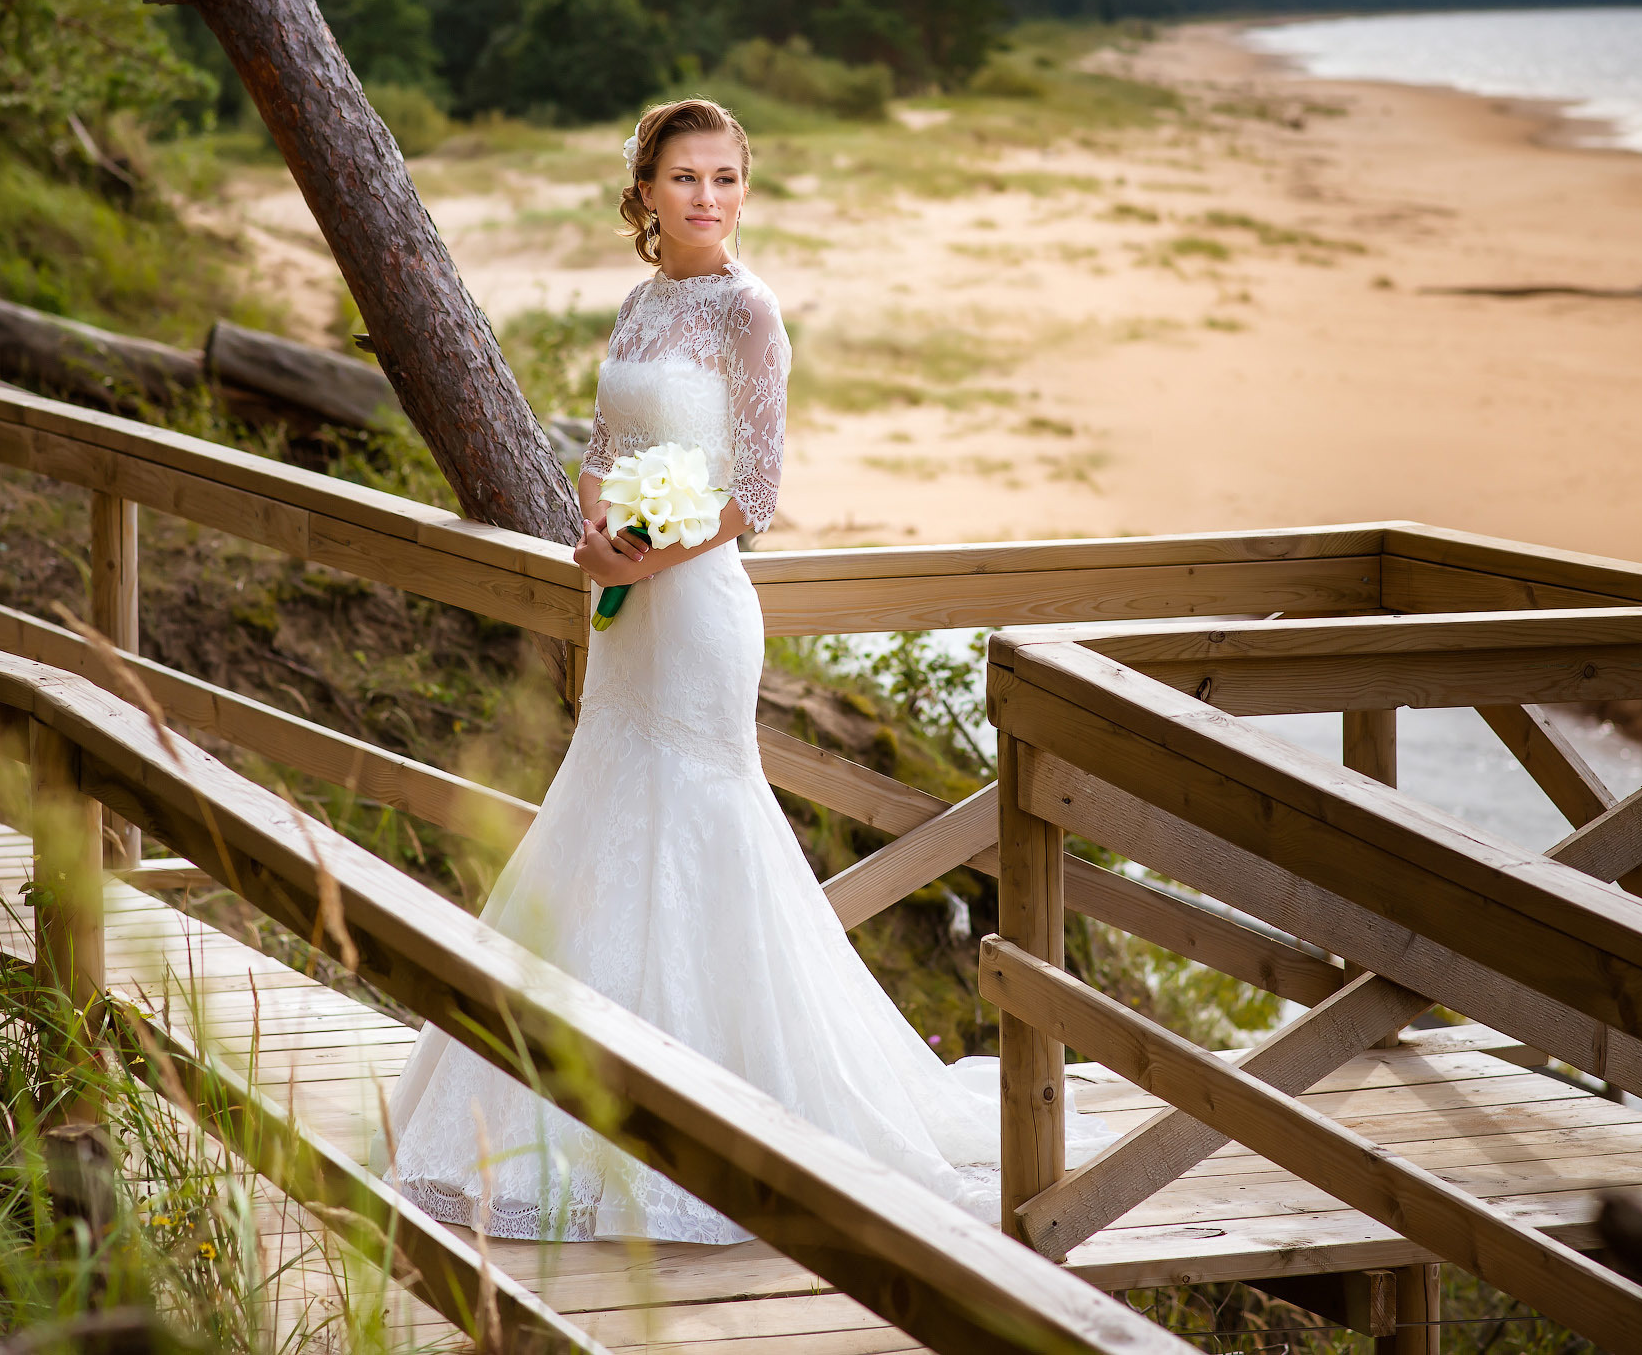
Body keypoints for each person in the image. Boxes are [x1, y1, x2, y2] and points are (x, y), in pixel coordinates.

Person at [383, 96, 1108, 1243]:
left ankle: (738, 1111)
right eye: (685, 179)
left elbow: (756, 492)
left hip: (703, 609)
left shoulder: (749, 312)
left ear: (743, 190)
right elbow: (601, 449)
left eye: (725, 178)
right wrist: (596, 538)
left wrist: (656, 547)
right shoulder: (641, 301)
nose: (707, 199)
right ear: (646, 194)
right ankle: (568, 1100)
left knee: (703, 823)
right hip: (624, 608)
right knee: (605, 810)